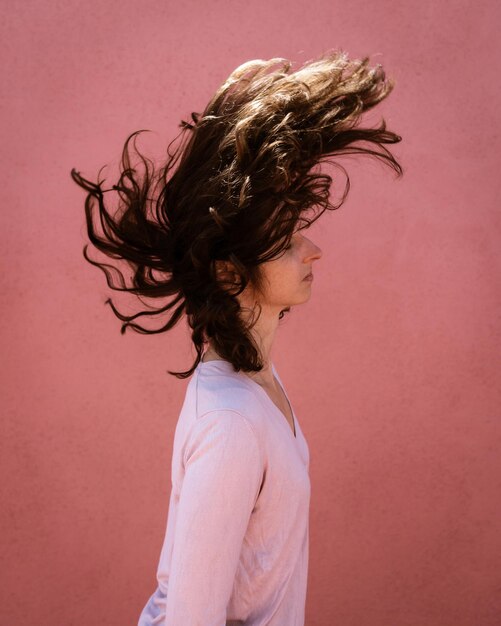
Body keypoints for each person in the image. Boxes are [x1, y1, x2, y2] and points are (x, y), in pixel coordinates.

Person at [71, 49, 403, 626]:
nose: (313, 249)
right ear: (229, 272)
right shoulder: (232, 425)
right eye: (285, 240)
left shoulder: (259, 381)